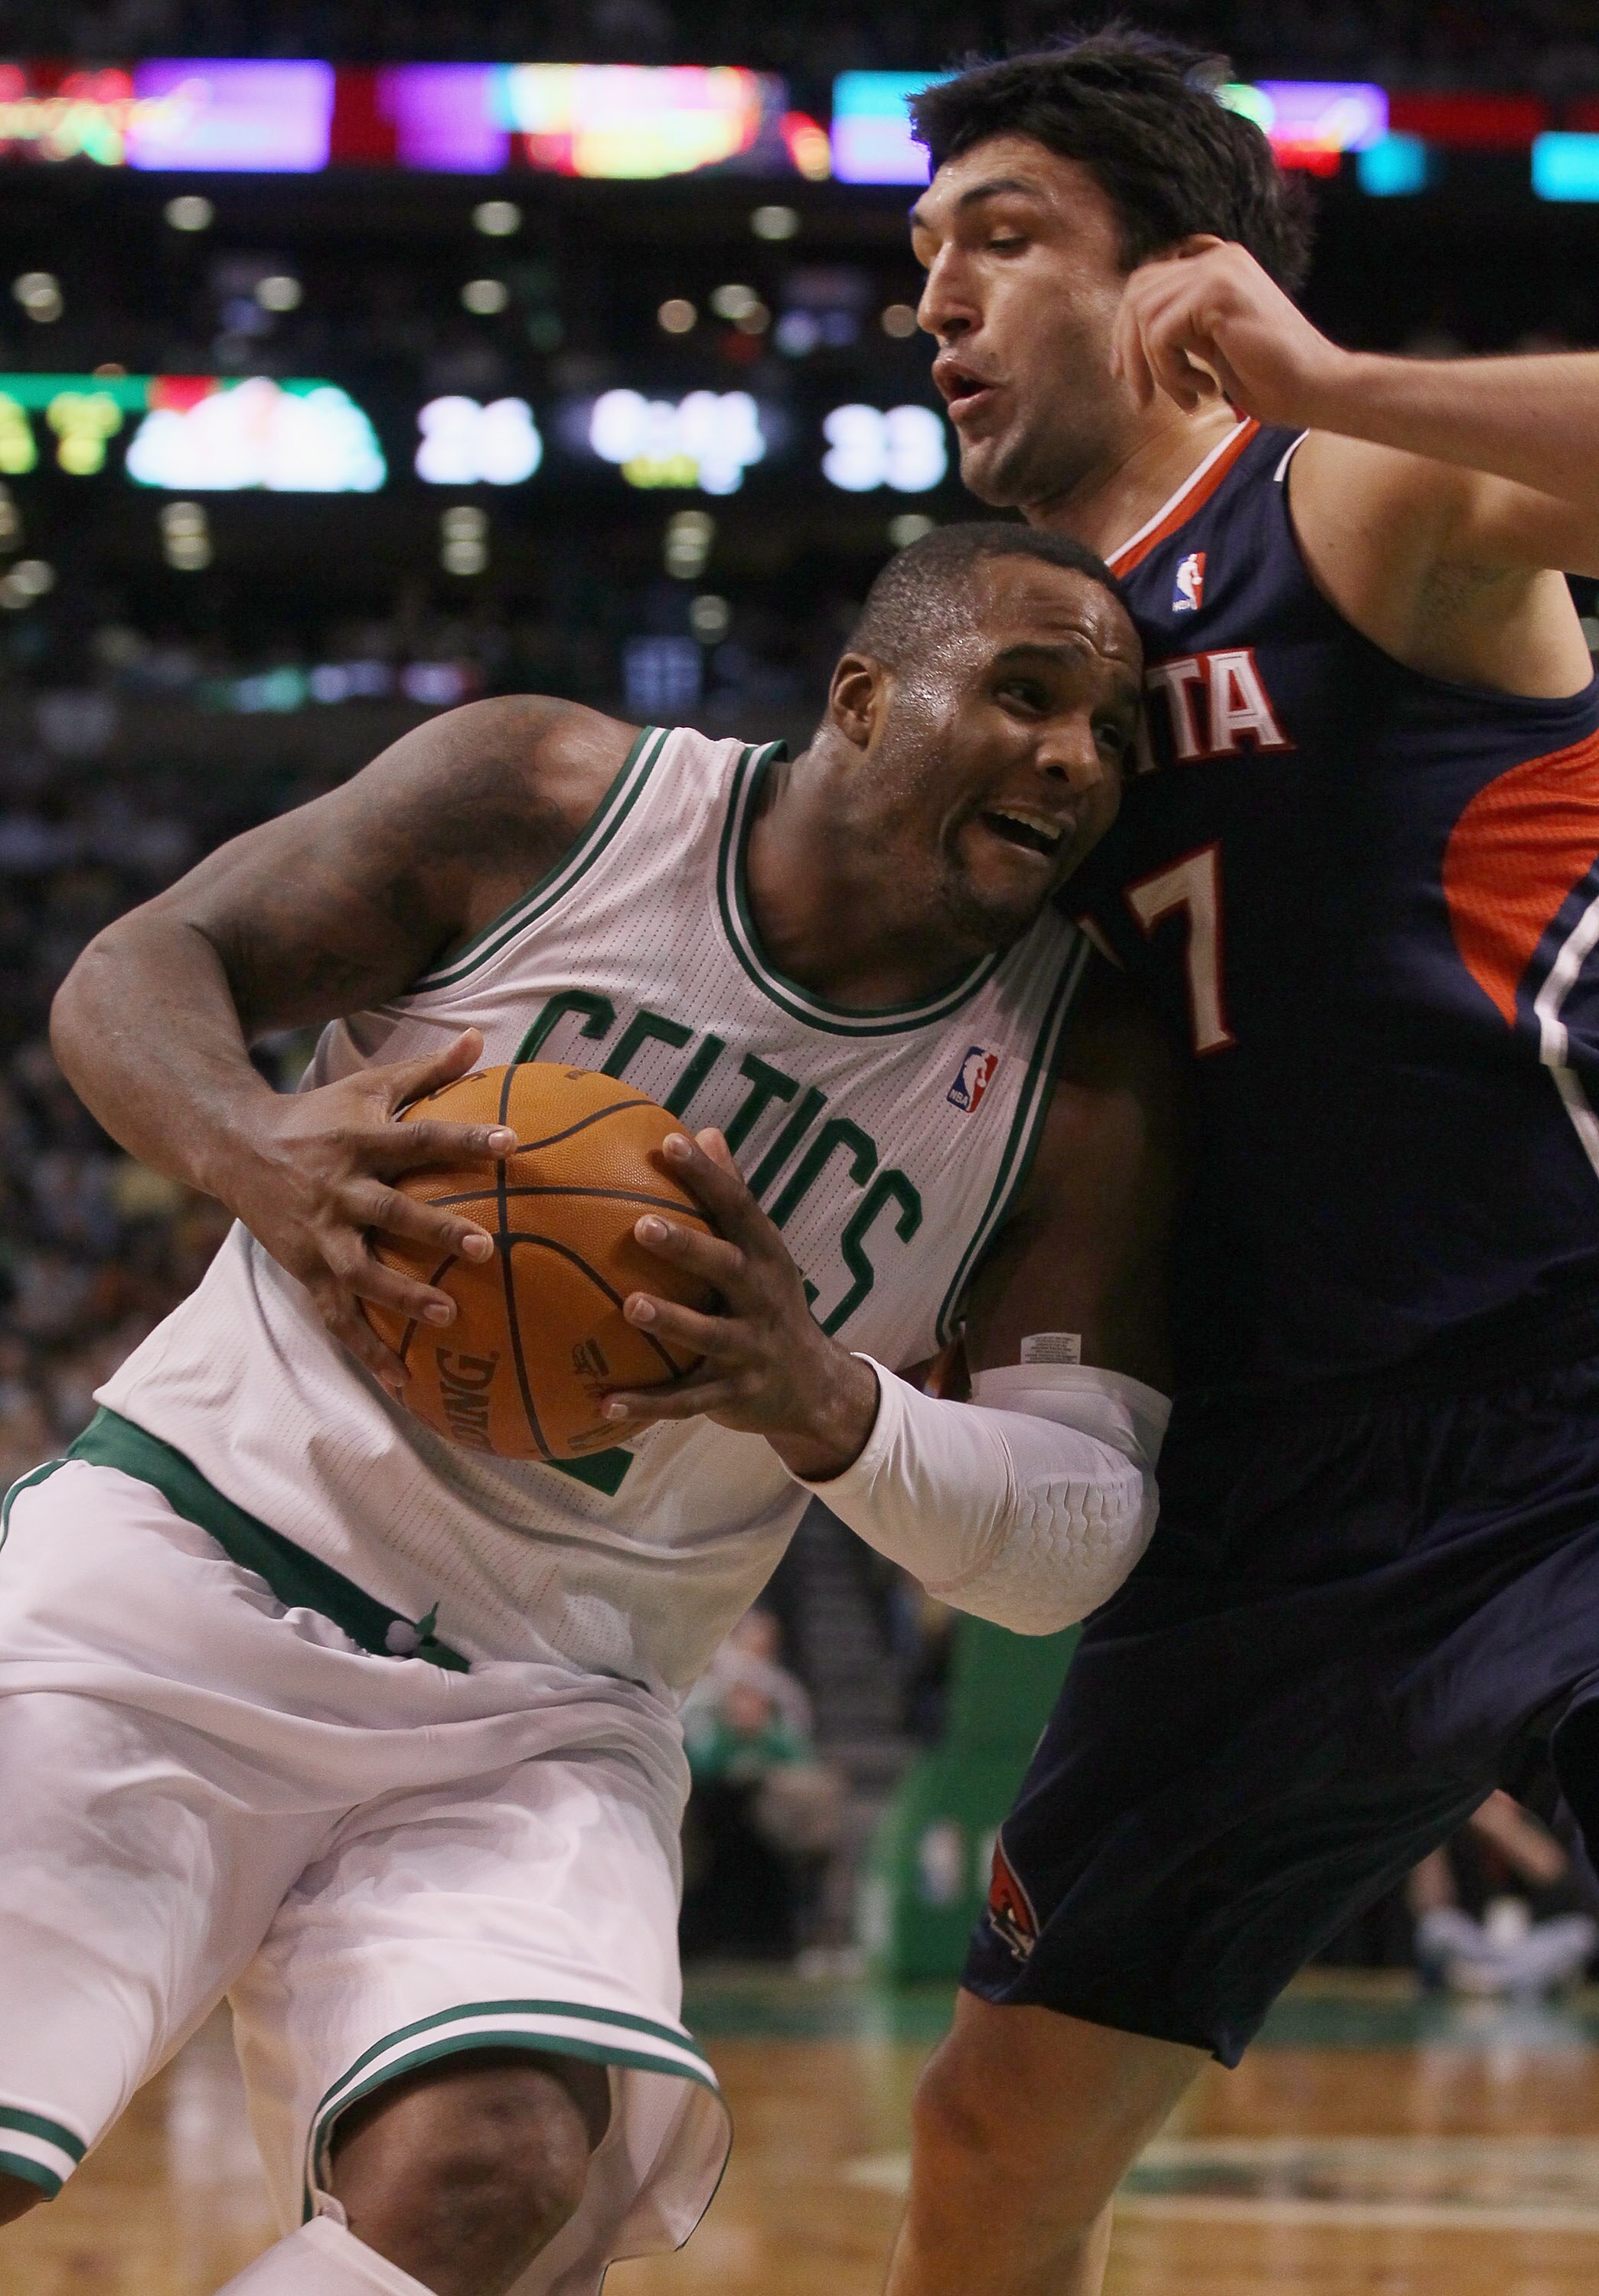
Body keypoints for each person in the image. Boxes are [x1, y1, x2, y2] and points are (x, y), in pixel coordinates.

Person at [0, 523, 1179, 2296]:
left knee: (494, 2169)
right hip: (179, 1571)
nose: (1074, 760)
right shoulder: (547, 797)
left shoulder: (1077, 1082)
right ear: (859, 697)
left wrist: (825, 1399)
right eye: (1023, 696)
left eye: (1109, 732)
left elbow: (1071, 1540)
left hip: (552, 1703)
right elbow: (137, 974)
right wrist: (264, 1156)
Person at [886, 28, 1599, 2296]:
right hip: (1275, 1480)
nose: (936, 298)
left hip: (1573, 1403)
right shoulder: (1016, 692)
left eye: (1002, 240)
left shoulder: (1341, 502)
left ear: (1177, 283)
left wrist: (1344, 373)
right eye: (921, 252)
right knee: (995, 2136)